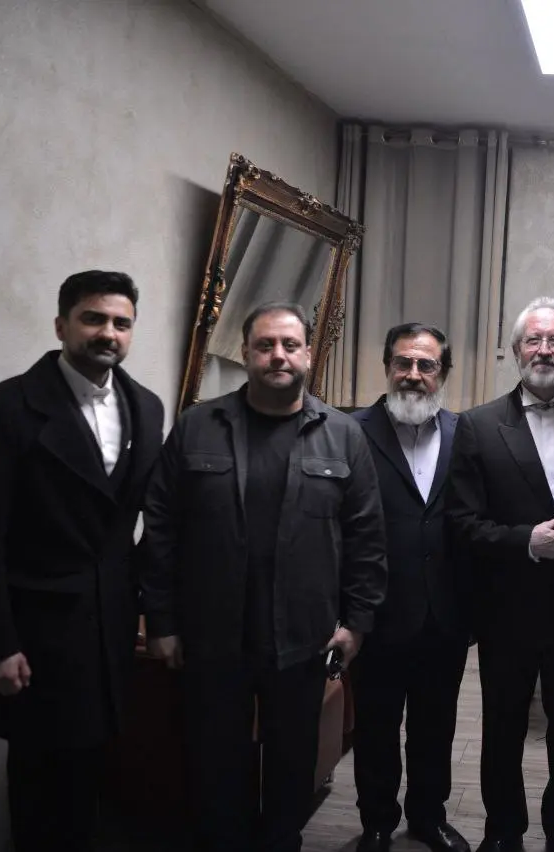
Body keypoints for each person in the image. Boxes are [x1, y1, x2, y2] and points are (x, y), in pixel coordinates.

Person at [140, 301, 388, 852]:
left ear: (308, 355)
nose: (278, 355)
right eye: (265, 345)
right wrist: (162, 620)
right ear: (246, 352)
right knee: (214, 768)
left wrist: (357, 623)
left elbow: (367, 538)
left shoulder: (343, 436)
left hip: (303, 639)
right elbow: (160, 529)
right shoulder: (198, 425)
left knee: (291, 768)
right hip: (211, 639)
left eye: (290, 345)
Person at [0, 270, 164, 851]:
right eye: (93, 318)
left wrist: (147, 606)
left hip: (111, 630)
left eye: (121, 323)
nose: (108, 333)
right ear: (61, 325)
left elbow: (146, 518)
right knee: (40, 786)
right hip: (34, 636)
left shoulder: (147, 407)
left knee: (95, 777)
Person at [446, 297, 554, 852]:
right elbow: (462, 524)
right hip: (506, 610)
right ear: (517, 349)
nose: (544, 350)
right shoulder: (476, 425)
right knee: (503, 727)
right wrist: (525, 541)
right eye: (534, 340)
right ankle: (503, 832)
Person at [351, 323, 471, 852]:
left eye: (427, 365)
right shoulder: (350, 431)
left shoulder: (465, 433)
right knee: (375, 727)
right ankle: (377, 822)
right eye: (403, 363)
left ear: (443, 373)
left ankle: (428, 816)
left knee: (435, 728)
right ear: (387, 367)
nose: (414, 375)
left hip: (443, 615)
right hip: (375, 612)